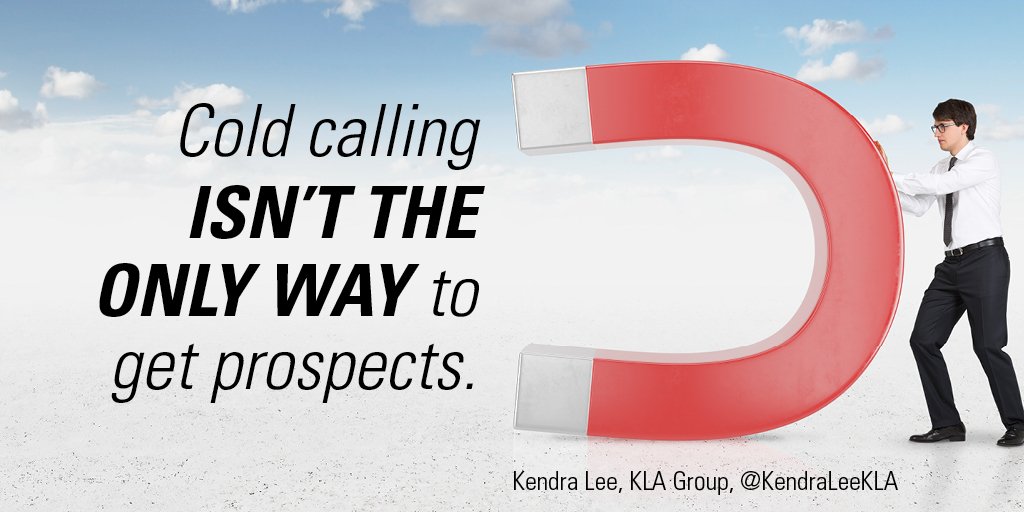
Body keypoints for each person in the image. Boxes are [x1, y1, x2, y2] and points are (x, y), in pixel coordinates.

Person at [881, 98, 1024, 447]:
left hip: (985, 261)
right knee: (923, 340)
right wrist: (880, 178)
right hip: (951, 266)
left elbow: (943, 186)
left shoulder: (982, 160)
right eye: (935, 127)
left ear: (964, 126)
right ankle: (947, 424)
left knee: (989, 345)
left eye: (942, 126)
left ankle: (1018, 423)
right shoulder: (939, 166)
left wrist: (887, 171)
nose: (937, 134)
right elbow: (917, 205)